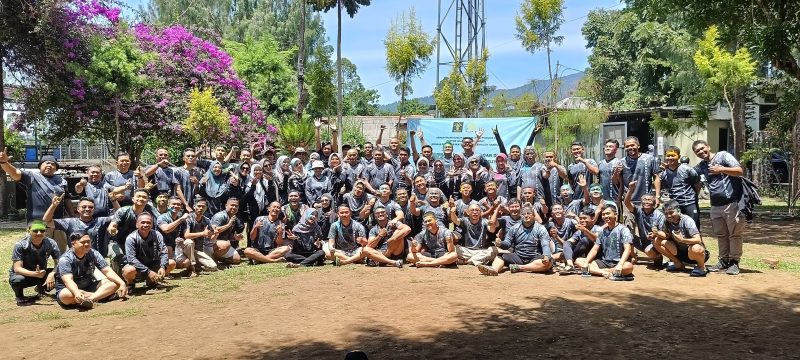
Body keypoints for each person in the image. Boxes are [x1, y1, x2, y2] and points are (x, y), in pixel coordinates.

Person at [0, 150, 72, 250]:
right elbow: (15, 173)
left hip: (57, 224)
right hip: (37, 223)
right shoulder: (31, 177)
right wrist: (4, 163)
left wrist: (73, 216)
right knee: (34, 254)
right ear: (40, 166)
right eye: (47, 163)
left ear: (56, 168)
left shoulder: (62, 181)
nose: (50, 165)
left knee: (61, 255)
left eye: (53, 164)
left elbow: (67, 199)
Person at [692, 139, 745, 275]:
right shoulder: (701, 166)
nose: (701, 152)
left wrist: (721, 169)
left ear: (708, 147)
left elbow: (739, 171)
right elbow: (691, 174)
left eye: (703, 148)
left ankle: (734, 262)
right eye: (697, 151)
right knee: (721, 235)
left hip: (732, 203)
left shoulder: (723, 156)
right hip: (715, 206)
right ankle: (723, 261)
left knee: (734, 234)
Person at [55, 233, 127, 309]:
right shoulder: (65, 259)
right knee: (66, 295)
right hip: (69, 289)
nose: (86, 244)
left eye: (88, 242)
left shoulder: (94, 253)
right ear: (73, 244)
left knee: (115, 283)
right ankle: (102, 296)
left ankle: (90, 299)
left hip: (89, 286)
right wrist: (76, 292)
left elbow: (107, 271)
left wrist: (122, 283)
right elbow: (68, 281)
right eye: (82, 242)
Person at [479, 203, 552, 275]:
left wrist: (546, 256)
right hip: (518, 257)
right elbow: (507, 244)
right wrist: (500, 243)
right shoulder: (515, 228)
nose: (526, 216)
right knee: (500, 256)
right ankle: (494, 269)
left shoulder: (540, 228)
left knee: (548, 263)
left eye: (528, 213)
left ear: (533, 215)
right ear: (521, 215)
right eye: (524, 214)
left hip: (534, 258)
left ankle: (520, 268)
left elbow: (545, 245)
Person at [8, 221, 61, 306]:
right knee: (17, 280)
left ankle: (41, 290)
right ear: (28, 231)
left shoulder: (51, 243)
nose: (39, 233)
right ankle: (19, 296)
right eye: (35, 230)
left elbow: (59, 263)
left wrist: (51, 274)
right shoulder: (21, 245)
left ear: (45, 231)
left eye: (42, 230)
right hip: (24, 275)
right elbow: (17, 269)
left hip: (41, 274)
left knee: (61, 274)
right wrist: (35, 274)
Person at [576, 205, 635, 281]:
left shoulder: (623, 229)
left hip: (620, 262)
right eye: (603, 214)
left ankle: (601, 271)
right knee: (579, 261)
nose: (605, 216)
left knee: (629, 266)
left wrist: (620, 265)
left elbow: (628, 249)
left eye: (608, 213)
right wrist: (586, 262)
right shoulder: (602, 231)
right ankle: (606, 272)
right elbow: (595, 249)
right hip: (604, 262)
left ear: (615, 214)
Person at [121, 213, 175, 293]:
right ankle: (130, 284)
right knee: (129, 270)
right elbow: (131, 259)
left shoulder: (157, 234)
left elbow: (164, 252)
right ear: (137, 224)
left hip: (152, 264)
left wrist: (163, 266)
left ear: (152, 224)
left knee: (171, 263)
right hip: (137, 268)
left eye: (148, 222)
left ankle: (152, 282)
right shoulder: (131, 238)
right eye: (143, 222)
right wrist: (148, 271)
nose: (146, 225)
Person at [44, 195, 113, 257]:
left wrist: (114, 201)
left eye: (90, 207)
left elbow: (119, 216)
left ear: (94, 210)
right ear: (78, 209)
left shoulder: (101, 221)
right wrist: (53, 206)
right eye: (84, 207)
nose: (87, 209)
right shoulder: (69, 222)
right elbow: (47, 221)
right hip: (75, 260)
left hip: (97, 259)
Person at [654, 200, 709, 277]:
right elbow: (666, 236)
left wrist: (682, 240)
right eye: (666, 213)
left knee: (696, 248)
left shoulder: (687, 220)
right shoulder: (666, 221)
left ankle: (701, 267)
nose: (669, 216)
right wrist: (656, 233)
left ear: (678, 211)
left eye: (671, 212)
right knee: (657, 240)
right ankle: (678, 263)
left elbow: (698, 240)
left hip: (694, 253)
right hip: (680, 251)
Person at [624, 181, 666, 267]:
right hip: (642, 242)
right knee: (628, 235)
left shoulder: (659, 215)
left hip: (655, 242)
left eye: (649, 200)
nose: (647, 202)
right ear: (641, 203)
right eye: (644, 200)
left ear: (654, 204)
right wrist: (630, 189)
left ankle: (658, 258)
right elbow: (627, 203)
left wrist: (655, 235)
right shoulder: (639, 211)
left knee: (648, 251)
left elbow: (664, 234)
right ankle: (632, 257)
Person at [661, 146, 701, 227]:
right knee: (677, 227)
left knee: (693, 226)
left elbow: (697, 183)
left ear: (679, 157)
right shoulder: (664, 174)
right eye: (668, 155)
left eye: (673, 155)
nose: (670, 158)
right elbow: (667, 188)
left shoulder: (687, 169)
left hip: (689, 203)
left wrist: (694, 196)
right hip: (675, 204)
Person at [450, 202, 499, 266]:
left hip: (481, 251)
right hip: (466, 250)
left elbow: (492, 230)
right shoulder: (465, 220)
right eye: (472, 210)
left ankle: (466, 261)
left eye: (477, 210)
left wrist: (492, 225)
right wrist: (452, 212)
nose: (475, 212)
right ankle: (477, 260)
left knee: (493, 250)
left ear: (480, 213)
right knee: (455, 249)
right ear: (468, 212)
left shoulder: (484, 221)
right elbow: (455, 220)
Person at [180, 198, 219, 276]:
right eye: (199, 206)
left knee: (213, 267)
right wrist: (203, 233)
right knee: (189, 242)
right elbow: (186, 236)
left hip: (198, 250)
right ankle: (191, 269)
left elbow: (210, 239)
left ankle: (197, 266)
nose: (201, 208)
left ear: (206, 208)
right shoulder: (188, 218)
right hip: (184, 248)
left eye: (203, 206)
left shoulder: (207, 220)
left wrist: (215, 234)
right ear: (194, 207)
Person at [559, 208, 599, 275]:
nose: (582, 220)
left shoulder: (598, 228)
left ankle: (568, 263)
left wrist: (585, 231)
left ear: (592, 218)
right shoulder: (579, 232)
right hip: (580, 257)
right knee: (567, 243)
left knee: (585, 240)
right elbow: (568, 243)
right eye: (580, 218)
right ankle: (570, 264)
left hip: (595, 256)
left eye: (584, 218)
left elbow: (596, 239)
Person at [209, 197, 245, 265]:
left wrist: (235, 237)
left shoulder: (232, 217)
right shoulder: (220, 216)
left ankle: (215, 258)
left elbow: (226, 235)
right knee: (226, 244)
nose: (234, 207)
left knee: (236, 259)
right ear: (226, 206)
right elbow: (214, 231)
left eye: (236, 206)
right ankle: (212, 261)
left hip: (222, 245)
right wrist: (229, 224)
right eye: (232, 205)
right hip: (210, 244)